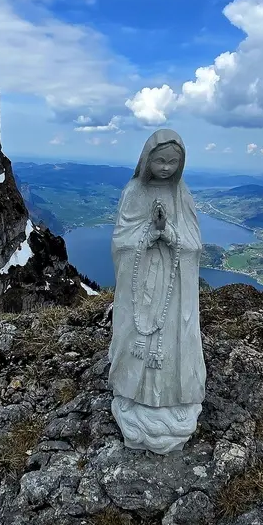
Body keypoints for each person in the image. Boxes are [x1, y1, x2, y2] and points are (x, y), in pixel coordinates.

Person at [108, 129, 205, 454]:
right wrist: (148, 237)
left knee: (175, 342)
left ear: (181, 164)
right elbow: (121, 242)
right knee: (138, 339)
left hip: (173, 290)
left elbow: (193, 245)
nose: (165, 167)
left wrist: (171, 235)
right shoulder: (133, 192)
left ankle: (175, 400)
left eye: (172, 162)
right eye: (160, 160)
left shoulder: (183, 194)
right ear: (146, 159)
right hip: (141, 287)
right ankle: (133, 397)